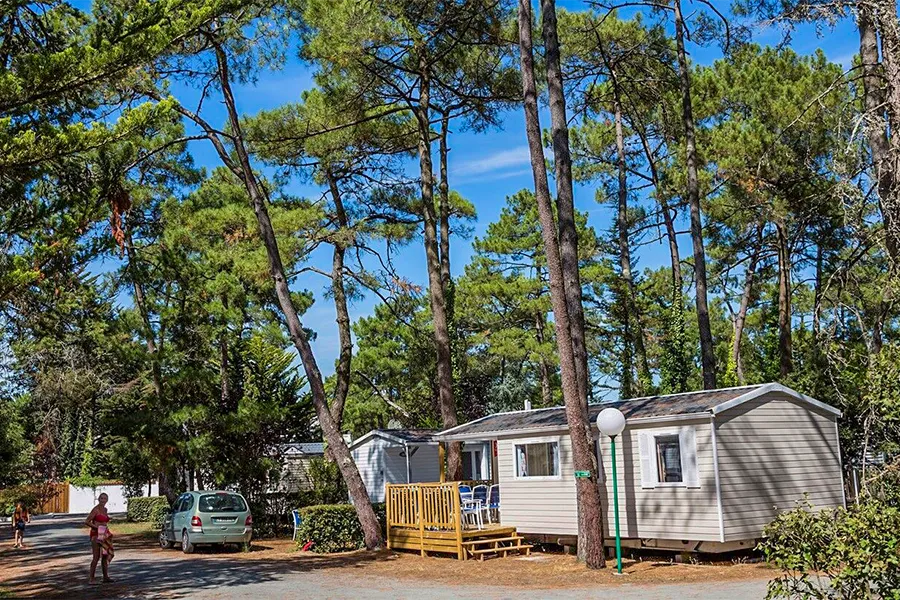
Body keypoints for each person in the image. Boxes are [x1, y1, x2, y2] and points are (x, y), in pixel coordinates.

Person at [84, 493, 113, 584]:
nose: (103, 500)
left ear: (107, 500)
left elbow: (104, 520)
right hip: (95, 534)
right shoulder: (95, 509)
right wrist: (96, 527)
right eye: (101, 498)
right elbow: (87, 521)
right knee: (96, 557)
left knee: (105, 555)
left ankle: (105, 577)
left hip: (104, 534)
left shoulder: (105, 509)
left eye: (105, 498)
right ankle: (91, 579)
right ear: (98, 499)